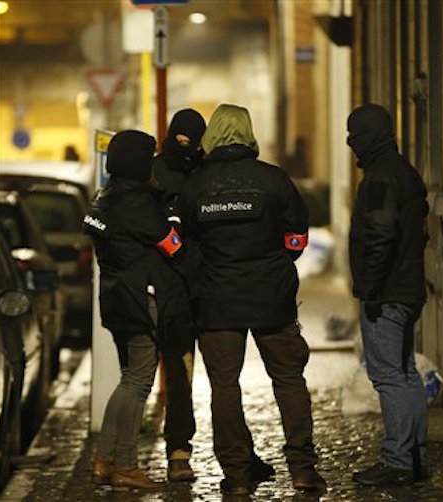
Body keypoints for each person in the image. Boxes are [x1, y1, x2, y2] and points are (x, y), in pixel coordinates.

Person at [179, 104, 325, 496]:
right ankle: (303, 469)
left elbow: (186, 247)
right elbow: (297, 236)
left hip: (217, 302)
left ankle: (238, 475)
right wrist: (278, 262)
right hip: (272, 298)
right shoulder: (274, 180)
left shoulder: (195, 186)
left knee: (224, 386)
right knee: (289, 378)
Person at [150, 108, 274, 482]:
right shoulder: (155, 174)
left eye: (193, 141)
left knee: (224, 381)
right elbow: (150, 226)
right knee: (179, 375)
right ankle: (179, 452)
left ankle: (239, 457)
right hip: (175, 291)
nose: (186, 148)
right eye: (180, 140)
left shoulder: (207, 171)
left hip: (209, 290)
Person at [84, 130, 189, 491]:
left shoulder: (104, 198)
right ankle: (126, 465)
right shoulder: (139, 204)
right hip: (140, 300)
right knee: (138, 380)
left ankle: (104, 458)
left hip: (116, 299)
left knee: (128, 377)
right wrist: (174, 219)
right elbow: (173, 247)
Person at [346, 103, 429, 487]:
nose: (351, 145)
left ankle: (397, 460)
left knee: (387, 376)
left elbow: (380, 232)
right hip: (410, 287)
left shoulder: (380, 178)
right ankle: (415, 456)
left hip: (389, 291)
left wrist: (371, 286)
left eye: (354, 137)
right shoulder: (405, 172)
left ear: (368, 137)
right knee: (407, 372)